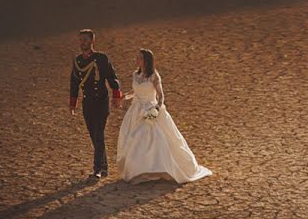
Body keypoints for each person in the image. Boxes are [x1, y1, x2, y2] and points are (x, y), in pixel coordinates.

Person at [116, 48, 212, 184]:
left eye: (140, 58)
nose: (137, 60)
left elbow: (161, 95)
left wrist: (156, 108)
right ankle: (139, 170)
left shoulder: (154, 75)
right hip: (136, 111)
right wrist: (124, 97)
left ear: (146, 61)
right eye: (137, 57)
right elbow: (135, 91)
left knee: (153, 138)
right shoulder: (135, 75)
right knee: (134, 139)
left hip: (150, 109)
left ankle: (157, 168)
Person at [69, 29, 123, 179]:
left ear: (92, 41)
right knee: (94, 136)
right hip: (87, 102)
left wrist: (116, 94)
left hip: (101, 101)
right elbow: (74, 82)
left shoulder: (101, 58)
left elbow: (112, 77)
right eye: (80, 40)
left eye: (85, 40)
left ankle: (97, 170)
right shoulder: (78, 61)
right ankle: (104, 167)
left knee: (99, 134)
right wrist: (73, 102)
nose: (82, 43)